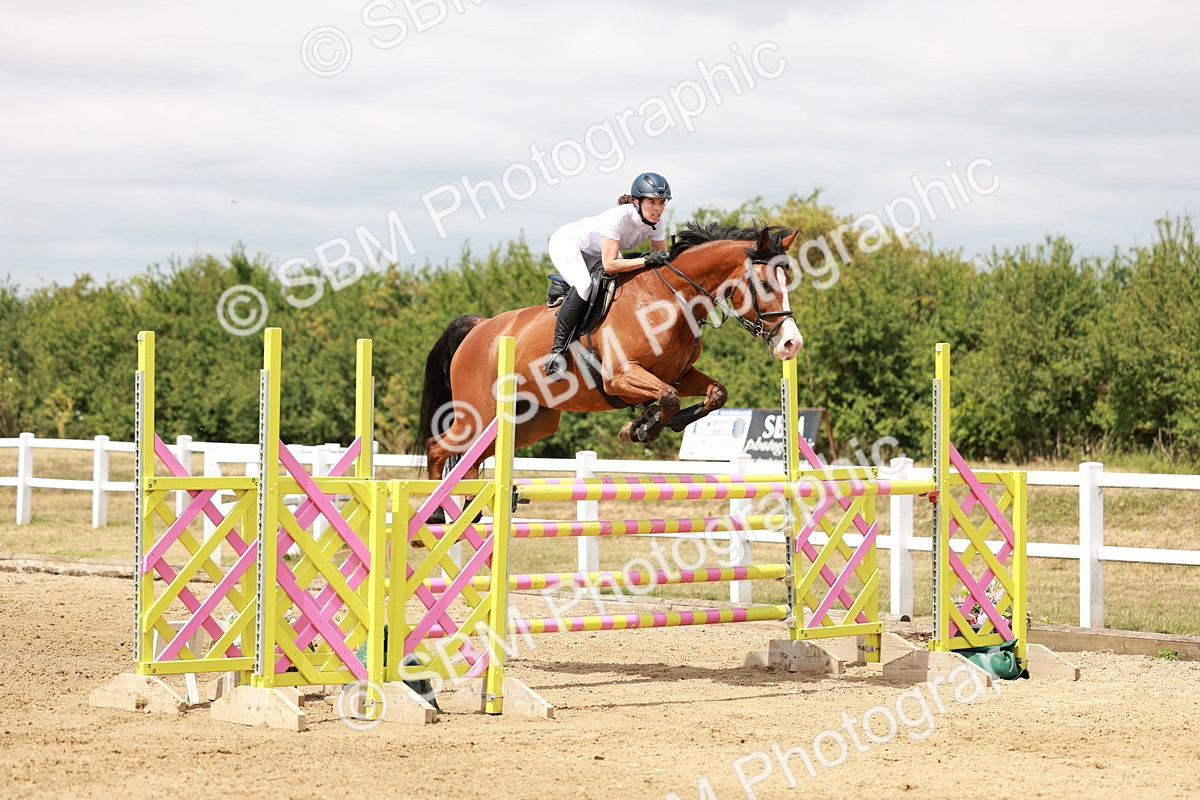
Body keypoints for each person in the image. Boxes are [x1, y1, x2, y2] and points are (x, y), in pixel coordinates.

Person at [544, 172, 673, 377]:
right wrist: (646, 260)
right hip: (569, 244)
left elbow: (662, 258)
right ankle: (557, 350)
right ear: (637, 202)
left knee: (621, 285)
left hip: (598, 252)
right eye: (652, 202)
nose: (657, 208)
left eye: (661, 203)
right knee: (585, 286)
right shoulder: (619, 217)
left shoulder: (658, 223)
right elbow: (611, 264)